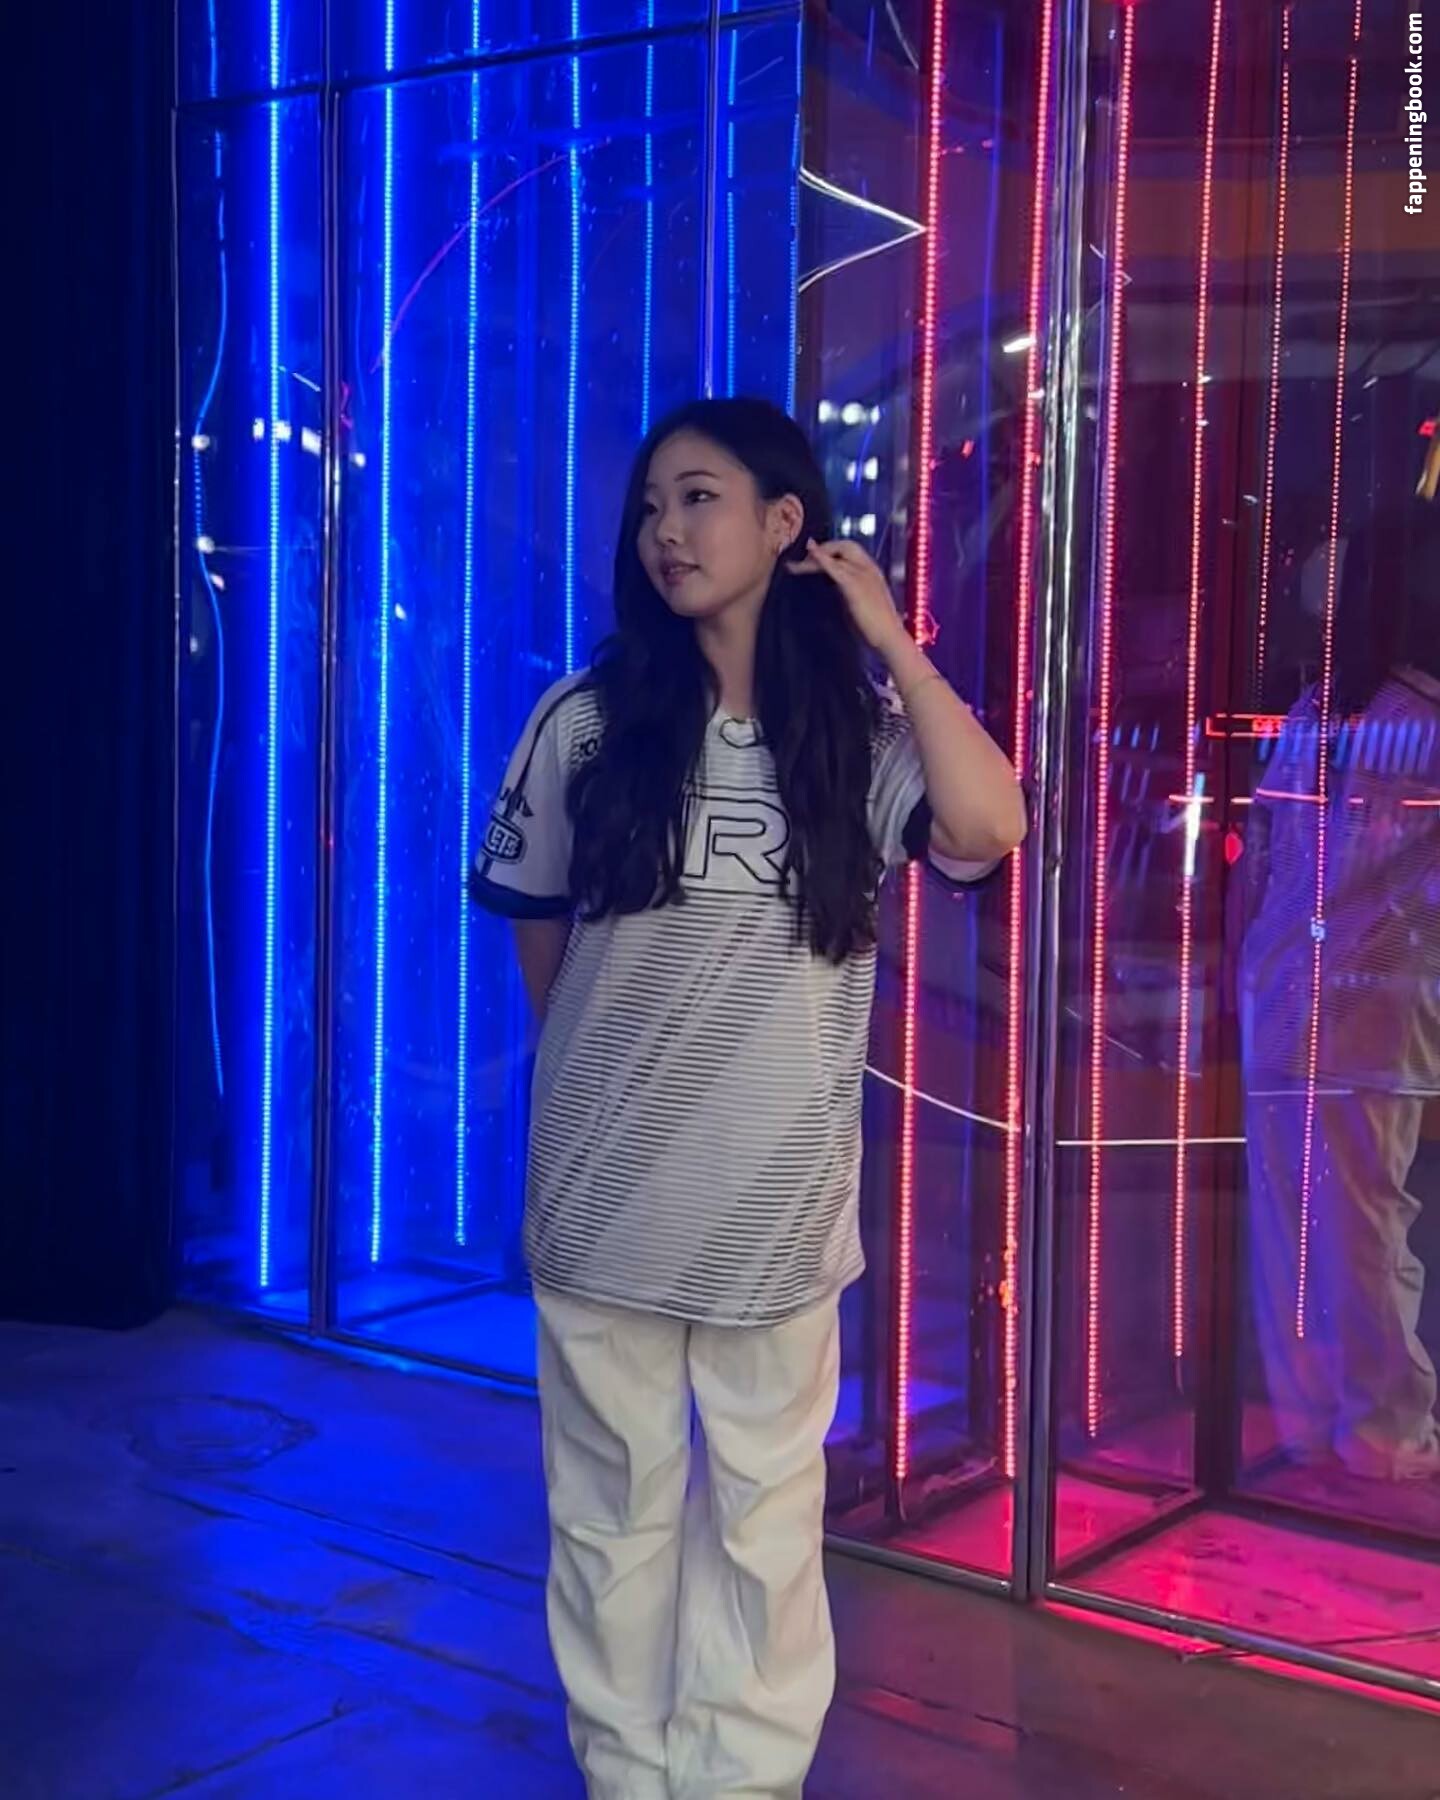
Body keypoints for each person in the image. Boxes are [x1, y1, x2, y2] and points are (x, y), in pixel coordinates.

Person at [469, 398, 1026, 1798]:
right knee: (610, 1527)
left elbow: (989, 822)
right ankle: (627, 1776)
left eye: (700, 498)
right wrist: (611, 1077)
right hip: (603, 1204)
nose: (667, 530)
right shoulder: (585, 723)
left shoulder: (859, 738)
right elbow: (540, 934)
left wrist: (891, 638)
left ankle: (739, 1783)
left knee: (765, 1532)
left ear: (787, 524)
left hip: (777, 1214)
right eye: (652, 506)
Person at [1240, 500, 1440, 1485]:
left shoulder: (1334, 712)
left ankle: (1329, 1419)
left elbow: (1272, 855)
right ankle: (1373, 1429)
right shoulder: (1403, 719)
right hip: (1355, 1004)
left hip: (1304, 994)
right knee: (1352, 1222)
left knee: (1312, 1226)